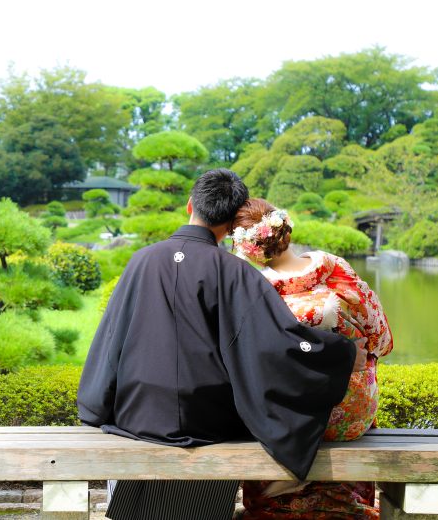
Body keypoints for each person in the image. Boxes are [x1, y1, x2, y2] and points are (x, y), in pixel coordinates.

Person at [77, 169, 368, 520]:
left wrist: (95, 405)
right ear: (232, 224)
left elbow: (113, 336)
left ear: (190, 205)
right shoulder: (235, 271)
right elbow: (279, 343)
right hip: (209, 422)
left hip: (138, 415)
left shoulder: (142, 259)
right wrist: (343, 354)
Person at [230, 198, 394, 520]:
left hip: (286, 419)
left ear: (247, 248)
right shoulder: (333, 267)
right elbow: (382, 337)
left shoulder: (255, 290)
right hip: (350, 414)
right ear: (284, 228)